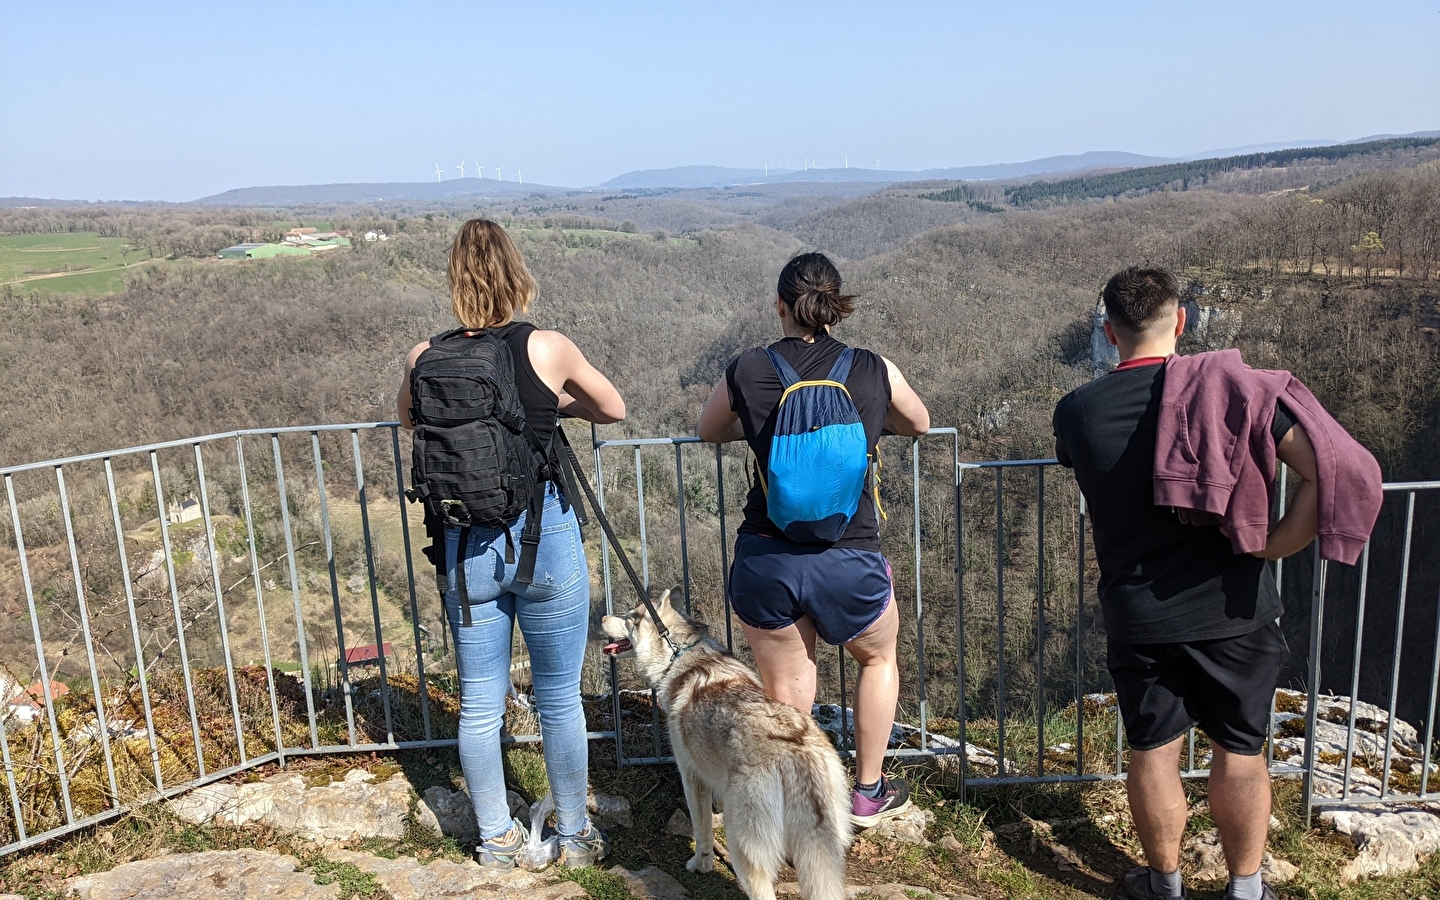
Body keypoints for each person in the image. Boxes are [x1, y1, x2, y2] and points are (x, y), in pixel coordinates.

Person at [1053, 267, 1323, 900]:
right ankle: (1246, 889)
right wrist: (1274, 542)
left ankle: (1164, 883)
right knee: (1240, 747)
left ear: (1109, 332)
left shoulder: (1078, 411)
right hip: (1235, 607)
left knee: (1152, 748)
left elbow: (1077, 458)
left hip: (1139, 610)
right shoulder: (1237, 394)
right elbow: (1321, 471)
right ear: (1180, 322)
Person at [398, 219, 625, 869]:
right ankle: (576, 834)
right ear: (515, 275)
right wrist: (554, 408)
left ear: (456, 283)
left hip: (464, 543)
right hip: (543, 534)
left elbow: (411, 421)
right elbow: (613, 407)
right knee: (559, 696)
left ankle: (495, 840)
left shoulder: (426, 357)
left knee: (477, 701)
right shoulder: (547, 348)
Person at [697, 251, 930, 827]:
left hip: (769, 557)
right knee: (877, 660)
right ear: (835, 305)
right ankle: (869, 792)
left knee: (788, 686)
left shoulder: (748, 369)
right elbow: (919, 422)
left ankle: (795, 804)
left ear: (779, 306)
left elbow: (707, 431)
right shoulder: (873, 368)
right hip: (850, 555)